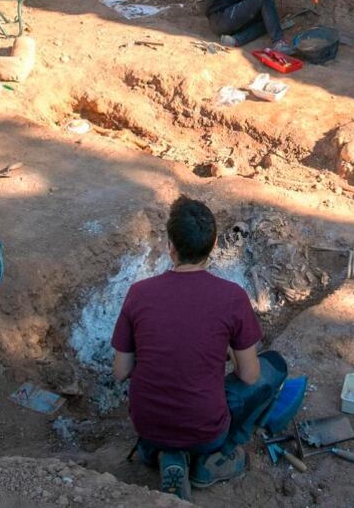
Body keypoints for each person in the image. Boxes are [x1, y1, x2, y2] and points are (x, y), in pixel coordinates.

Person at [112, 196, 287, 499]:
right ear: (213, 244)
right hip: (206, 431)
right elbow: (249, 375)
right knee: (275, 367)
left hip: (148, 426)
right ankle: (211, 461)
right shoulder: (231, 297)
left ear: (171, 246)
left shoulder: (138, 293)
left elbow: (121, 371)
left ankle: (167, 455)